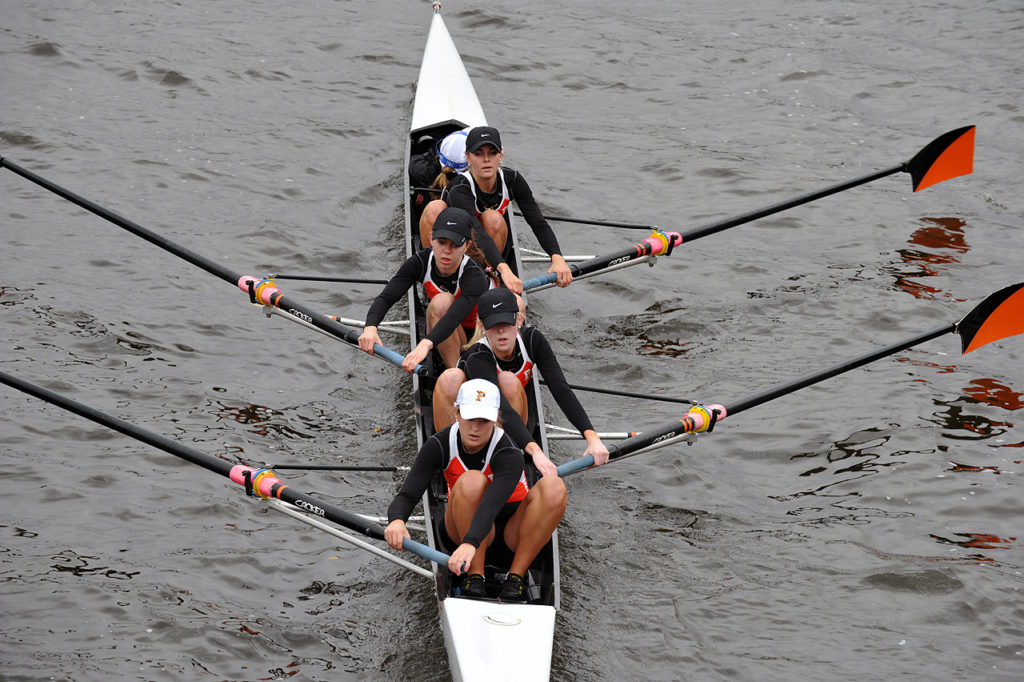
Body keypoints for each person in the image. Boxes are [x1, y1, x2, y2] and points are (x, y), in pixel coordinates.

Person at [385, 378, 567, 602]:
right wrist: (396, 520)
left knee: (554, 486)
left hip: (511, 537)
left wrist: (471, 543)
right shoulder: (439, 444)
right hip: (459, 533)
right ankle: (475, 576)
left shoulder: (509, 452)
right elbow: (408, 493)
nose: (475, 428)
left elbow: (491, 504)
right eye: (470, 417)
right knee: (472, 480)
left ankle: (516, 578)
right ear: (457, 414)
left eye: (484, 420)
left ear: (496, 421)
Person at [433, 287, 610, 477]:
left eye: (506, 323)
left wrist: (592, 438)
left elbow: (561, 390)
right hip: (474, 424)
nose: (501, 331)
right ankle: (451, 463)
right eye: (493, 325)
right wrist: (536, 451)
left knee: (508, 381)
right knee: (460, 379)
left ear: (518, 320)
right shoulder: (477, 356)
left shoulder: (533, 340)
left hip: (506, 420)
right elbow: (500, 406)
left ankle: (505, 460)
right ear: (482, 326)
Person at [418, 126, 573, 293]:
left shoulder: (513, 180)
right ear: (468, 157)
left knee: (493, 218)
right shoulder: (460, 188)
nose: (486, 159)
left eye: (492, 153)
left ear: (501, 154)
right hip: (454, 246)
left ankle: (490, 278)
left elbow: (538, 223)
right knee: (435, 209)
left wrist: (557, 258)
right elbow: (476, 232)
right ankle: (435, 276)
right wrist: (506, 269)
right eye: (478, 154)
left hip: (485, 250)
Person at [358, 206, 492, 371]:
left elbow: (453, 317)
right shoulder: (419, 262)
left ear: (466, 246)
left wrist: (424, 344)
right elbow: (387, 297)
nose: (446, 251)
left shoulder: (474, 276)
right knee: (441, 303)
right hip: (439, 333)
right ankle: (453, 372)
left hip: (472, 339)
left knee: (442, 302)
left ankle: (456, 374)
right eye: (441, 242)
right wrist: (370, 327)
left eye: (455, 245)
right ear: (431, 238)